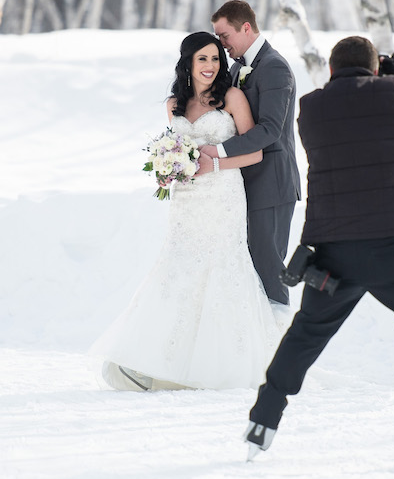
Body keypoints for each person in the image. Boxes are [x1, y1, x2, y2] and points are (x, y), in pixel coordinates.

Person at [242, 36, 394, 461]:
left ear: (333, 70)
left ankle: (262, 421)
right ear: (376, 69)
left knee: (306, 335)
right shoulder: (392, 93)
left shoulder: (312, 108)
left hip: (335, 253)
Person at [91, 32, 280, 391]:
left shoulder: (232, 97)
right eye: (202, 59)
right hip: (186, 199)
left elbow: (254, 152)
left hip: (222, 194)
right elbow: (173, 148)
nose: (210, 66)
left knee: (222, 265)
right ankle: (161, 360)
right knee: (178, 266)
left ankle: (224, 364)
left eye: (215, 59)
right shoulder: (174, 104)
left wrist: (216, 166)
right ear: (188, 64)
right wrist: (167, 170)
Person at [199, 0, 300, 308]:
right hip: (242, 185)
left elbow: (268, 130)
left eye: (225, 35)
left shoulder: (275, 67)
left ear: (246, 28)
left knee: (269, 270)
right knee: (246, 269)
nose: (221, 43)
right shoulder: (237, 67)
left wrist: (216, 152)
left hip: (271, 184)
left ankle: (279, 344)